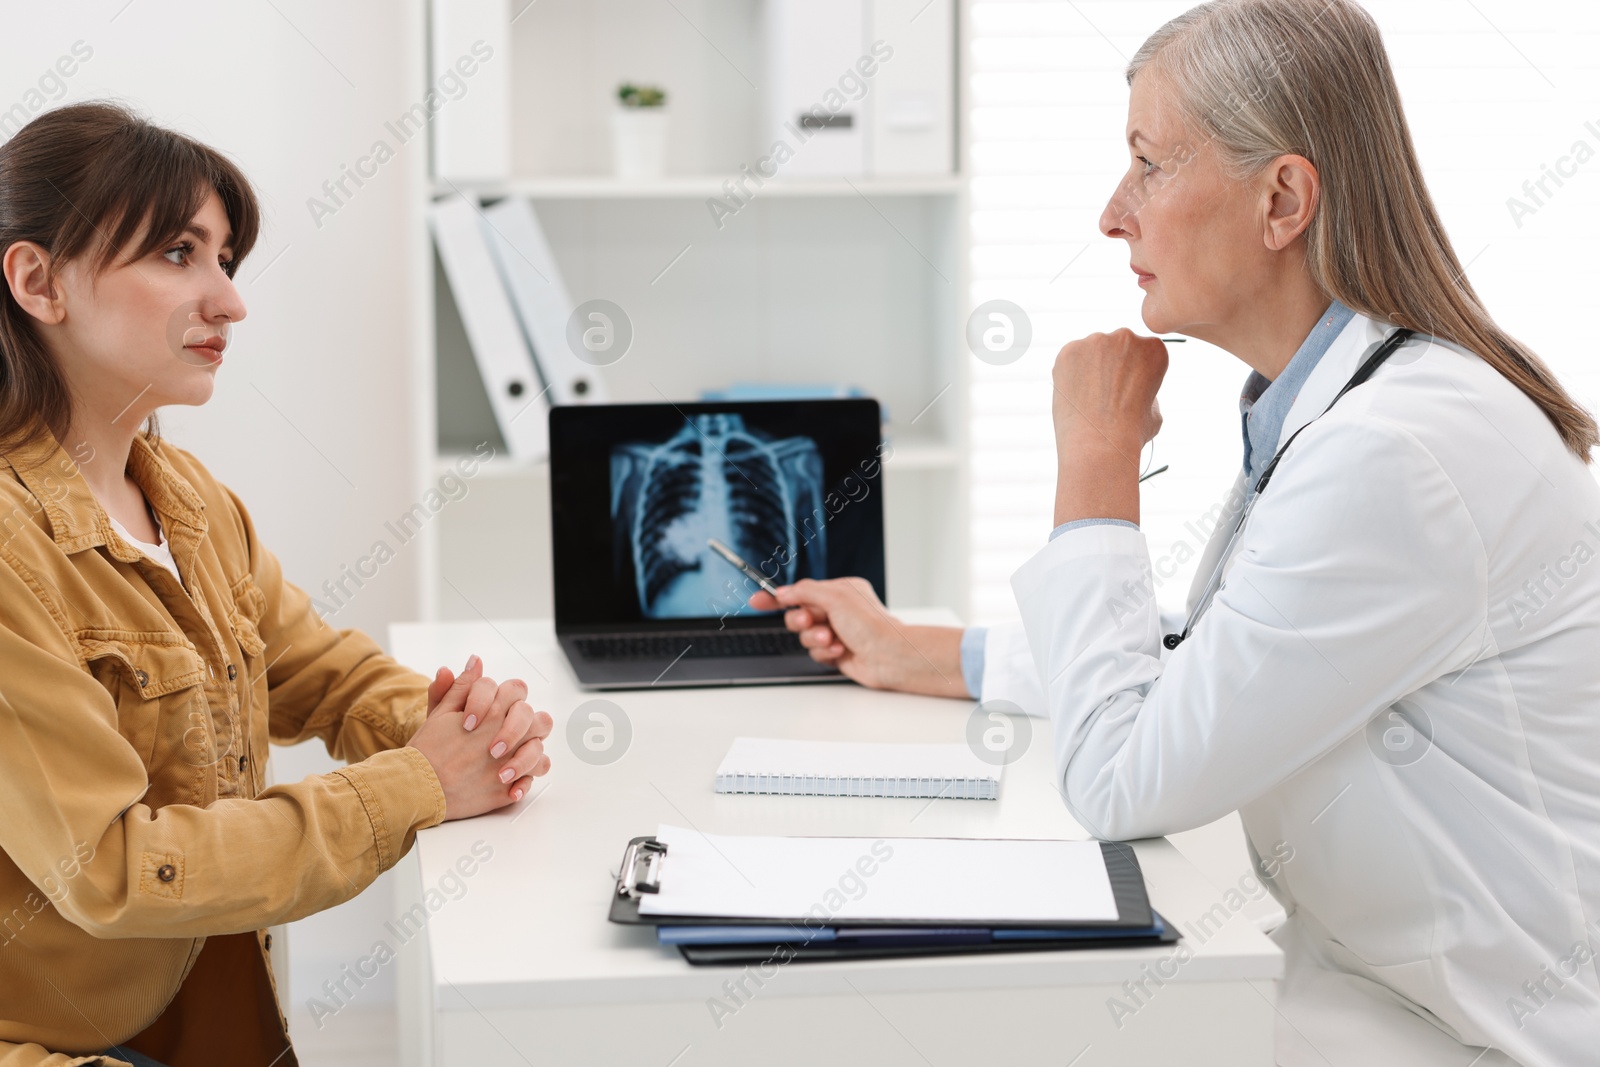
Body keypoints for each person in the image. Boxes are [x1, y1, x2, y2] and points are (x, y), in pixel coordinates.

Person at [752, 2, 1600, 1064]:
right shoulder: (1351, 404)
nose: (1113, 215)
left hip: (1475, 1030)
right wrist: (925, 651)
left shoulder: (1397, 452)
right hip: (1383, 979)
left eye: (1148, 164)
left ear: (1282, 198)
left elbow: (1124, 774)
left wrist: (1096, 457)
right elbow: (1223, 656)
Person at [0, 103, 550, 1066]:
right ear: (38, 281)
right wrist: (419, 780)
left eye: (225, 260)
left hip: (215, 1021)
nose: (228, 301)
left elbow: (315, 671)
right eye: (178, 253)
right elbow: (116, 868)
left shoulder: (189, 500)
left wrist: (465, 725)